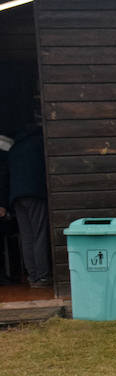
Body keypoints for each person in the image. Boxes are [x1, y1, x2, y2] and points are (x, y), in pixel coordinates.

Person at [0, 121, 52, 287]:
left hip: (16, 197)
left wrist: (5, 203)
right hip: (35, 194)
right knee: (39, 234)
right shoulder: (39, 143)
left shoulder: (14, 149)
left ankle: (33, 276)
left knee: (27, 236)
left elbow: (5, 176)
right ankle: (43, 276)